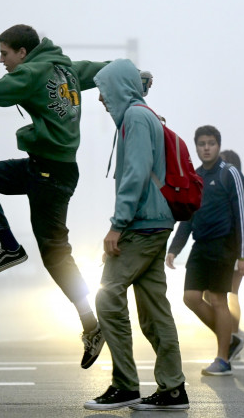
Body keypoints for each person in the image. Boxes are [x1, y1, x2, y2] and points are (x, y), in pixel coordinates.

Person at [0, 24, 108, 369]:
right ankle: (9, 247)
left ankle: (94, 324)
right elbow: (104, 69)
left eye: (4, 53)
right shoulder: (65, 68)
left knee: (56, 254)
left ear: (23, 53)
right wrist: (137, 74)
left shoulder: (30, 72)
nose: (1, 61)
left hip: (50, 174)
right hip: (42, 167)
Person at [84, 59, 189, 411]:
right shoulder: (143, 115)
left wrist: (117, 224)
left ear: (118, 87)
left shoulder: (135, 118)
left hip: (142, 224)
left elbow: (136, 173)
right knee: (154, 310)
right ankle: (173, 389)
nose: (100, 97)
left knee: (107, 297)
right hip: (156, 223)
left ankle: (126, 385)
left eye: (103, 89)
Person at [165, 125, 244, 376]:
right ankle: (229, 339)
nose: (206, 148)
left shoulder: (230, 173)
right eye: (202, 144)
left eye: (211, 143)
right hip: (200, 245)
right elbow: (188, 215)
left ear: (218, 145)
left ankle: (222, 359)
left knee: (217, 300)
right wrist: (174, 248)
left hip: (223, 245)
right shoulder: (195, 175)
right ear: (196, 147)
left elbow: (242, 215)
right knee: (190, 298)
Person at [219, 149, 244, 360]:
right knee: (226, 295)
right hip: (231, 251)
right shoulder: (237, 188)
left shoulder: (239, 190)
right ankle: (233, 335)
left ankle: (233, 338)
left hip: (236, 252)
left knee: (229, 295)